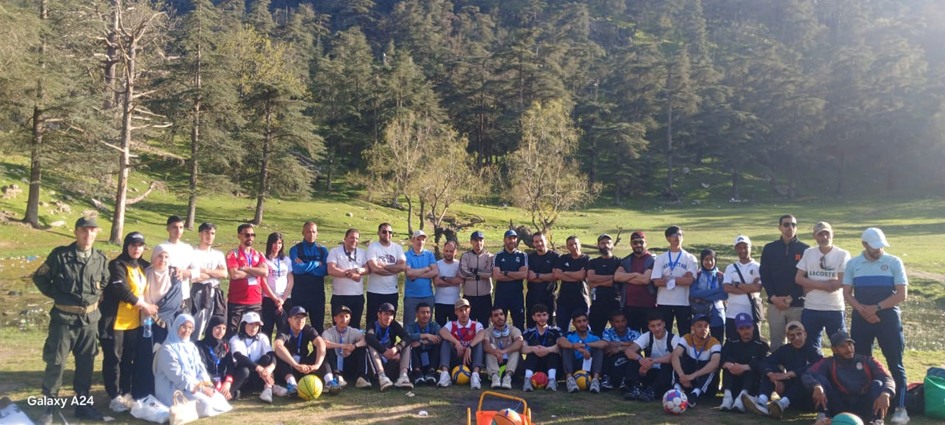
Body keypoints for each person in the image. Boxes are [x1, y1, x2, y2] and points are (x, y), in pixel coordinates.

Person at [33, 216, 110, 424]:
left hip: (90, 321)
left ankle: (82, 405)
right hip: (63, 320)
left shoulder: (100, 259)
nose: (88, 234)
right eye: (84, 230)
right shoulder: (60, 256)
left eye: (92, 230)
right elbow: (40, 277)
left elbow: (104, 281)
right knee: (56, 363)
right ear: (76, 232)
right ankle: (48, 408)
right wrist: (57, 295)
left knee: (86, 363)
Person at [843, 228, 910, 424]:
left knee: (895, 363)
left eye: (881, 246)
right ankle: (867, 405)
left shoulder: (893, 262)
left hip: (888, 318)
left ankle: (901, 409)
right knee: (861, 363)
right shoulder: (853, 264)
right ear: (864, 244)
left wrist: (876, 308)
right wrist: (863, 310)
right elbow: (847, 293)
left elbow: (901, 294)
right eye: (874, 246)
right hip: (861, 317)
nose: (878, 249)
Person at [99, 232, 157, 412]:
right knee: (113, 358)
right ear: (126, 246)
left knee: (128, 358)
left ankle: (126, 392)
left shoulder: (142, 265)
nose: (136, 249)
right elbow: (121, 289)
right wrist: (144, 305)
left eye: (140, 245)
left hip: (134, 322)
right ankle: (114, 395)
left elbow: (159, 268)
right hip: (115, 320)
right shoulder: (117, 264)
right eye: (133, 245)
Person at [803, 331, 896, 425]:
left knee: (878, 384)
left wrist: (886, 393)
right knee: (820, 379)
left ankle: (877, 420)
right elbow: (808, 374)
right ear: (834, 349)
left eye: (850, 344)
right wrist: (816, 386)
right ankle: (824, 416)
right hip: (839, 406)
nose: (848, 349)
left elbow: (887, 377)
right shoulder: (828, 362)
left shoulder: (868, 361)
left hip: (864, 405)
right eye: (842, 346)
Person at [133, 244, 186, 400]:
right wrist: (146, 307)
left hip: (166, 325)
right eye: (159, 256)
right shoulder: (144, 273)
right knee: (146, 357)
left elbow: (175, 301)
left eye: (166, 257)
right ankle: (144, 392)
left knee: (165, 358)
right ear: (153, 257)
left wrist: (155, 312)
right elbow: (137, 294)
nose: (163, 260)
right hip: (146, 323)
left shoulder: (174, 275)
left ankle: (165, 391)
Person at [743, 321, 822, 419]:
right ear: (788, 337)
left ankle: (781, 405)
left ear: (805, 334)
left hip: (808, 397)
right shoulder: (785, 350)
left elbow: (817, 367)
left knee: (804, 377)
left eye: (799, 334)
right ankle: (762, 402)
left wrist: (788, 374)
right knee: (771, 371)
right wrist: (772, 376)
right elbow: (764, 362)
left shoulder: (814, 350)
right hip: (789, 393)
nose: (796, 338)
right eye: (792, 336)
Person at [795, 221, 850, 353]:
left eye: (827, 233)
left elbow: (840, 282)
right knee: (811, 348)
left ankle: (838, 367)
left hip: (834, 308)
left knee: (840, 346)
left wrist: (810, 285)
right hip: (811, 307)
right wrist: (826, 285)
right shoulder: (809, 252)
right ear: (814, 236)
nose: (824, 237)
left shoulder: (842, 254)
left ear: (832, 234)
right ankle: (818, 366)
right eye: (820, 234)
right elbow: (798, 278)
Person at [153, 314, 221, 413]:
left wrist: (207, 384)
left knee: (218, 399)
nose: (187, 331)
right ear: (176, 327)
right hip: (173, 390)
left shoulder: (191, 347)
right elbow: (178, 377)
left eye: (190, 328)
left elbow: (200, 368)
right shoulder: (167, 349)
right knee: (206, 404)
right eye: (183, 327)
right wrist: (201, 389)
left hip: (193, 386)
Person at [760, 214, 808, 351]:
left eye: (793, 224)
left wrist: (791, 297)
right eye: (786, 224)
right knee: (776, 343)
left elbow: (806, 278)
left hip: (797, 304)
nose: (790, 227)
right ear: (780, 227)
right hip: (775, 304)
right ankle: (778, 365)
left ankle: (797, 366)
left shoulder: (805, 250)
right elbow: (765, 275)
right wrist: (773, 297)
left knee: (798, 342)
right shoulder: (770, 248)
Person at [273, 306, 334, 394]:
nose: (300, 320)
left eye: (303, 318)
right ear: (289, 320)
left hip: (304, 366)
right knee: (277, 355)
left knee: (324, 350)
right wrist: (296, 365)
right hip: (290, 366)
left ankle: (329, 381)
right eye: (297, 318)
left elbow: (320, 343)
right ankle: (292, 385)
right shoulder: (284, 330)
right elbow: (278, 346)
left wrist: (317, 365)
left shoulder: (308, 329)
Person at [621, 311, 679, 402]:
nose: (656, 329)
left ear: (664, 324)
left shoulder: (673, 338)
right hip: (648, 371)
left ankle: (652, 391)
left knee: (667, 365)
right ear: (649, 327)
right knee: (634, 358)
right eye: (653, 326)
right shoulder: (647, 336)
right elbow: (629, 350)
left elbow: (676, 356)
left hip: (664, 375)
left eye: (659, 325)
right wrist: (641, 360)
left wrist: (653, 361)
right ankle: (635, 388)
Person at [651, 225, 698, 336]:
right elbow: (656, 281)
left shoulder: (690, 258)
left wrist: (668, 279)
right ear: (668, 238)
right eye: (674, 235)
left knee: (685, 334)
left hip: (683, 302)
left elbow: (689, 281)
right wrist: (680, 279)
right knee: (664, 333)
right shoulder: (660, 258)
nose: (677, 237)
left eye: (680, 234)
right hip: (664, 302)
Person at [229, 312, 286, 403]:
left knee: (267, 359)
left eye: (256, 325)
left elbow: (271, 354)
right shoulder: (235, 339)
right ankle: (271, 387)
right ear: (244, 325)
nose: (254, 327)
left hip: (258, 376)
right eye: (251, 324)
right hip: (243, 376)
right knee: (245, 370)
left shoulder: (262, 337)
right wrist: (258, 368)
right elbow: (239, 356)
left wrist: (271, 367)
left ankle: (269, 387)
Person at [718, 313, 769, 412]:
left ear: (753, 327)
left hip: (751, 385)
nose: (746, 331)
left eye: (748, 327)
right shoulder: (731, 343)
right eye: (742, 328)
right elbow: (721, 358)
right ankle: (727, 398)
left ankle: (741, 400)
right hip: (733, 380)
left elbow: (764, 363)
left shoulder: (761, 345)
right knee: (728, 367)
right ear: (737, 330)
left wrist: (745, 367)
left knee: (752, 369)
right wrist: (727, 365)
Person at [225, 223, 269, 338]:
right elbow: (234, 274)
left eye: (252, 235)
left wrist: (246, 268)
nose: (250, 238)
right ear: (239, 236)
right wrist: (255, 272)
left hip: (255, 301)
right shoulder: (233, 253)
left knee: (254, 334)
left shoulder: (259, 254)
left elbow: (265, 272)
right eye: (247, 235)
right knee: (232, 333)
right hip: (237, 301)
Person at [669, 314, 722, 406]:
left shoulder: (714, 342)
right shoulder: (687, 338)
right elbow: (675, 355)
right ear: (692, 328)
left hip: (703, 381)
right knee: (677, 360)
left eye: (706, 326)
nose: (703, 329)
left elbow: (715, 362)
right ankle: (676, 390)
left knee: (712, 369)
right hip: (687, 378)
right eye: (699, 326)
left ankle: (694, 395)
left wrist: (692, 376)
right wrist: (682, 376)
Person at [289, 221, 330, 334]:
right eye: (308, 232)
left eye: (313, 232)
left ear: (317, 233)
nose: (311, 234)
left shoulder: (322, 250)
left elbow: (325, 270)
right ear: (303, 233)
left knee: (318, 327)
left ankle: (318, 346)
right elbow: (297, 269)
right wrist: (316, 264)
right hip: (300, 293)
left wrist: (305, 267)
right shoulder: (295, 249)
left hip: (317, 294)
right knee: (297, 327)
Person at [190, 222, 228, 342]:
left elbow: (224, 274)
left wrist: (206, 271)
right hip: (200, 292)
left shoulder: (218, 255)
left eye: (212, 233)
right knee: (197, 327)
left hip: (215, 293)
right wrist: (215, 273)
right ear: (200, 234)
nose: (209, 236)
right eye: (206, 232)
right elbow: (194, 277)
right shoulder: (193, 253)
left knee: (214, 327)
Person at [364, 303, 415, 391]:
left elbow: (407, 337)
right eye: (386, 314)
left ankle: (403, 376)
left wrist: (397, 349)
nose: (388, 317)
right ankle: (382, 377)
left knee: (406, 345)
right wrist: (384, 351)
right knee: (370, 345)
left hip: (392, 358)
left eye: (391, 315)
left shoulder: (393, 324)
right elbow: (369, 337)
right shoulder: (372, 324)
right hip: (377, 361)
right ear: (379, 315)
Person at [436, 298, 485, 389]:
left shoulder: (476, 324)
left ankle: (475, 375)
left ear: (469, 310)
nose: (464, 313)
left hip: (470, 359)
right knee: (446, 342)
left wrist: (470, 347)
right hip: (456, 357)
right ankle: (445, 374)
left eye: (466, 310)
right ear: (456, 312)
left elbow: (482, 334)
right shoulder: (452, 324)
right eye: (461, 310)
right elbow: (442, 331)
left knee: (479, 344)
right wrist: (456, 342)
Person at [326, 228, 370, 329]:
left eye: (357, 238)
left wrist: (358, 270)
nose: (354, 240)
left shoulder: (363, 252)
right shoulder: (335, 251)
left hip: (357, 296)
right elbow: (331, 270)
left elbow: (367, 269)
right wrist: (351, 275)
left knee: (355, 327)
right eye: (352, 238)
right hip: (339, 296)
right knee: (338, 327)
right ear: (345, 238)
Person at [614, 231, 656, 334]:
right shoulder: (626, 260)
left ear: (646, 243)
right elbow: (617, 277)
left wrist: (626, 277)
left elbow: (645, 280)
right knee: (632, 337)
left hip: (648, 306)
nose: (638, 245)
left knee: (649, 337)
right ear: (631, 244)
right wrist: (636, 274)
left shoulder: (652, 260)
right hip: (629, 306)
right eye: (635, 242)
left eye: (641, 242)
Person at [722, 235, 763, 341]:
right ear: (736, 249)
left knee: (753, 343)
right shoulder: (730, 268)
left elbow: (757, 288)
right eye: (739, 248)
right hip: (732, 313)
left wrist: (736, 284)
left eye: (745, 247)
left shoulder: (758, 267)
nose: (742, 250)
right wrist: (749, 287)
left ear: (750, 247)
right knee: (732, 343)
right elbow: (726, 288)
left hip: (752, 313)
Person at [366, 223, 406, 328]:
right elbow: (374, 268)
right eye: (384, 232)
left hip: (392, 291)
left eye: (390, 232)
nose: (387, 234)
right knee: (372, 321)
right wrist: (394, 269)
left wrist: (383, 265)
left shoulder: (397, 248)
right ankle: (371, 339)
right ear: (378, 233)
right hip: (375, 292)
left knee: (390, 322)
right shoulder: (373, 247)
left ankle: (389, 339)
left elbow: (402, 266)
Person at [557, 311, 608, 393]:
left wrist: (587, 345)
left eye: (584, 321)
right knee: (566, 347)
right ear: (573, 324)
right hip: (574, 364)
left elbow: (605, 343)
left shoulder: (593, 335)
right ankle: (570, 380)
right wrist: (575, 346)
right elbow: (560, 341)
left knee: (598, 348)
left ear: (588, 322)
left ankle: (595, 380)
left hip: (589, 364)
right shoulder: (570, 335)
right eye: (579, 321)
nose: (582, 324)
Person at [322, 305, 370, 389]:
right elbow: (324, 343)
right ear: (335, 319)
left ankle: (361, 378)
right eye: (341, 316)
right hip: (335, 363)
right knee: (327, 350)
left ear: (350, 319)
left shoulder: (354, 331)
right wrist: (342, 346)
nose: (344, 319)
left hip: (348, 363)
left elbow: (365, 341)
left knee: (362, 349)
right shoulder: (328, 332)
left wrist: (354, 346)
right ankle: (337, 376)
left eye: (347, 316)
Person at [159, 215, 199, 313]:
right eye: (174, 227)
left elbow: (197, 272)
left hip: (184, 296)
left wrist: (183, 273)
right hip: (165, 296)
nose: (178, 230)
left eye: (181, 227)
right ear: (168, 228)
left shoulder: (188, 249)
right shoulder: (161, 248)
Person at [478, 306, 524, 390]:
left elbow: (519, 342)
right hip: (495, 361)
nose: (499, 317)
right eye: (496, 315)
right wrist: (495, 352)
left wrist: (504, 351)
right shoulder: (487, 331)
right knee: (490, 348)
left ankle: (508, 377)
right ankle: (495, 377)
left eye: (501, 314)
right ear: (491, 319)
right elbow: (485, 345)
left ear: (505, 316)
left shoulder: (514, 329)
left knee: (515, 349)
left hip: (511, 363)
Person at [492, 229, 528, 330]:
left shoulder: (522, 255)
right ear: (504, 240)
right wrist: (515, 275)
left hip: (517, 295)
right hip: (501, 295)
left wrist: (506, 273)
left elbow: (524, 274)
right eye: (509, 238)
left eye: (514, 238)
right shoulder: (498, 256)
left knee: (519, 322)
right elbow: (497, 276)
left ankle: (518, 340)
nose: (512, 240)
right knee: (499, 322)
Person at [521, 304, 562, 392]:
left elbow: (560, 346)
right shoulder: (528, 332)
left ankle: (552, 380)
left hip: (551, 364)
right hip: (534, 365)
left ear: (548, 316)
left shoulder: (555, 330)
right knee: (532, 350)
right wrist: (533, 349)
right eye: (539, 315)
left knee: (552, 351)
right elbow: (523, 348)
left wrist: (547, 350)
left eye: (544, 315)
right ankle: (527, 380)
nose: (542, 318)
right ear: (533, 317)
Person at [586, 234, 621, 337]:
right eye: (602, 243)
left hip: (615, 302)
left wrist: (598, 282)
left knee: (618, 332)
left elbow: (618, 279)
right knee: (596, 333)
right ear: (598, 245)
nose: (605, 245)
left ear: (612, 245)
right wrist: (611, 277)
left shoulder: (619, 262)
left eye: (608, 243)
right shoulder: (593, 262)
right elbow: (591, 278)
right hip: (598, 303)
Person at [689, 249, 726, 344]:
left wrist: (702, 295)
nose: (709, 262)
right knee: (700, 341)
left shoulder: (721, 276)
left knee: (718, 341)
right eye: (706, 259)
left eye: (711, 259)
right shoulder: (697, 275)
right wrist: (716, 291)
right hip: (700, 311)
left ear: (715, 260)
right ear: (701, 260)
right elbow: (693, 293)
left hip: (717, 313)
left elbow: (724, 295)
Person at [458, 231, 494, 326]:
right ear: (471, 242)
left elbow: (490, 272)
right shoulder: (465, 256)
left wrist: (474, 270)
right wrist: (480, 275)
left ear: (484, 241)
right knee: (468, 325)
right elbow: (463, 273)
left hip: (485, 297)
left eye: (480, 240)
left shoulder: (489, 256)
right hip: (469, 297)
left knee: (485, 326)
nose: (478, 243)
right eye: (476, 240)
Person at [554, 236, 590, 330]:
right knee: (561, 328)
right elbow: (557, 274)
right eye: (571, 245)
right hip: (564, 300)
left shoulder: (586, 259)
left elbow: (581, 276)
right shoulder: (563, 258)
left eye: (575, 244)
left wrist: (566, 273)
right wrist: (575, 276)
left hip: (581, 299)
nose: (574, 246)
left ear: (580, 245)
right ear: (567, 247)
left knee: (583, 327)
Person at [403, 230, 438, 326]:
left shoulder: (429, 254)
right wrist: (426, 269)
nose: (420, 242)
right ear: (413, 240)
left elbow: (435, 271)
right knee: (408, 324)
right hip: (411, 296)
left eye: (423, 240)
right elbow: (409, 273)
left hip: (427, 295)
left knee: (427, 324)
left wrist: (416, 274)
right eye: (418, 239)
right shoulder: (407, 255)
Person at [262, 232, 293, 340]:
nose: (277, 246)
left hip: (284, 299)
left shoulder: (286, 260)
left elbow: (290, 280)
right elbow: (263, 281)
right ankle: (267, 350)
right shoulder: (264, 259)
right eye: (274, 243)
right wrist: (274, 298)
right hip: (268, 299)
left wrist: (283, 299)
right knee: (266, 330)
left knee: (284, 330)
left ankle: (282, 350)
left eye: (279, 243)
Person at [197, 316, 235, 400]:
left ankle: (225, 392)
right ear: (211, 328)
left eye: (224, 328)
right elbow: (202, 369)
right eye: (218, 328)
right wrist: (216, 384)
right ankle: (225, 394)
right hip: (207, 379)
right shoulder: (200, 345)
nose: (221, 331)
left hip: (222, 379)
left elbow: (230, 365)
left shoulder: (225, 344)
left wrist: (228, 382)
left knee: (243, 372)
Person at [601, 310, 640, 391]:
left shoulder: (634, 333)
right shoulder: (607, 332)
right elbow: (606, 345)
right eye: (617, 322)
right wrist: (626, 343)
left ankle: (626, 381)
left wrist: (619, 348)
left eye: (623, 321)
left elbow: (637, 346)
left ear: (626, 321)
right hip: (611, 359)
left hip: (628, 360)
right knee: (605, 352)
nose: (621, 324)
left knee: (635, 355)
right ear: (611, 323)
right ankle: (606, 379)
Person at [526, 233, 559, 328]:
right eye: (536, 242)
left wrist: (537, 275)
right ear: (533, 244)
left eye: (541, 241)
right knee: (531, 326)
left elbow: (555, 276)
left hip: (549, 296)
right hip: (533, 296)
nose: (539, 243)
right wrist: (546, 277)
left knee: (550, 326)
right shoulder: (530, 257)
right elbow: (529, 277)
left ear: (546, 241)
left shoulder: (555, 256)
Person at [405, 302, 442, 386]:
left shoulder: (434, 326)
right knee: (409, 345)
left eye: (428, 312)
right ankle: (417, 373)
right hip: (417, 356)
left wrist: (422, 342)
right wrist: (426, 335)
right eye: (422, 312)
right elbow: (407, 336)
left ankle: (431, 372)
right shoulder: (410, 326)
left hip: (430, 356)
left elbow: (439, 338)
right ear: (416, 314)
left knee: (438, 346)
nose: (425, 315)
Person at [433, 241, 463, 325]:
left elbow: (460, 280)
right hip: (439, 302)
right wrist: (454, 281)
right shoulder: (437, 264)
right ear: (443, 251)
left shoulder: (459, 264)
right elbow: (437, 282)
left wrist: (444, 278)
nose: (448, 253)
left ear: (456, 252)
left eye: (451, 251)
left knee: (455, 329)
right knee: (440, 329)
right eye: (446, 251)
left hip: (455, 303)